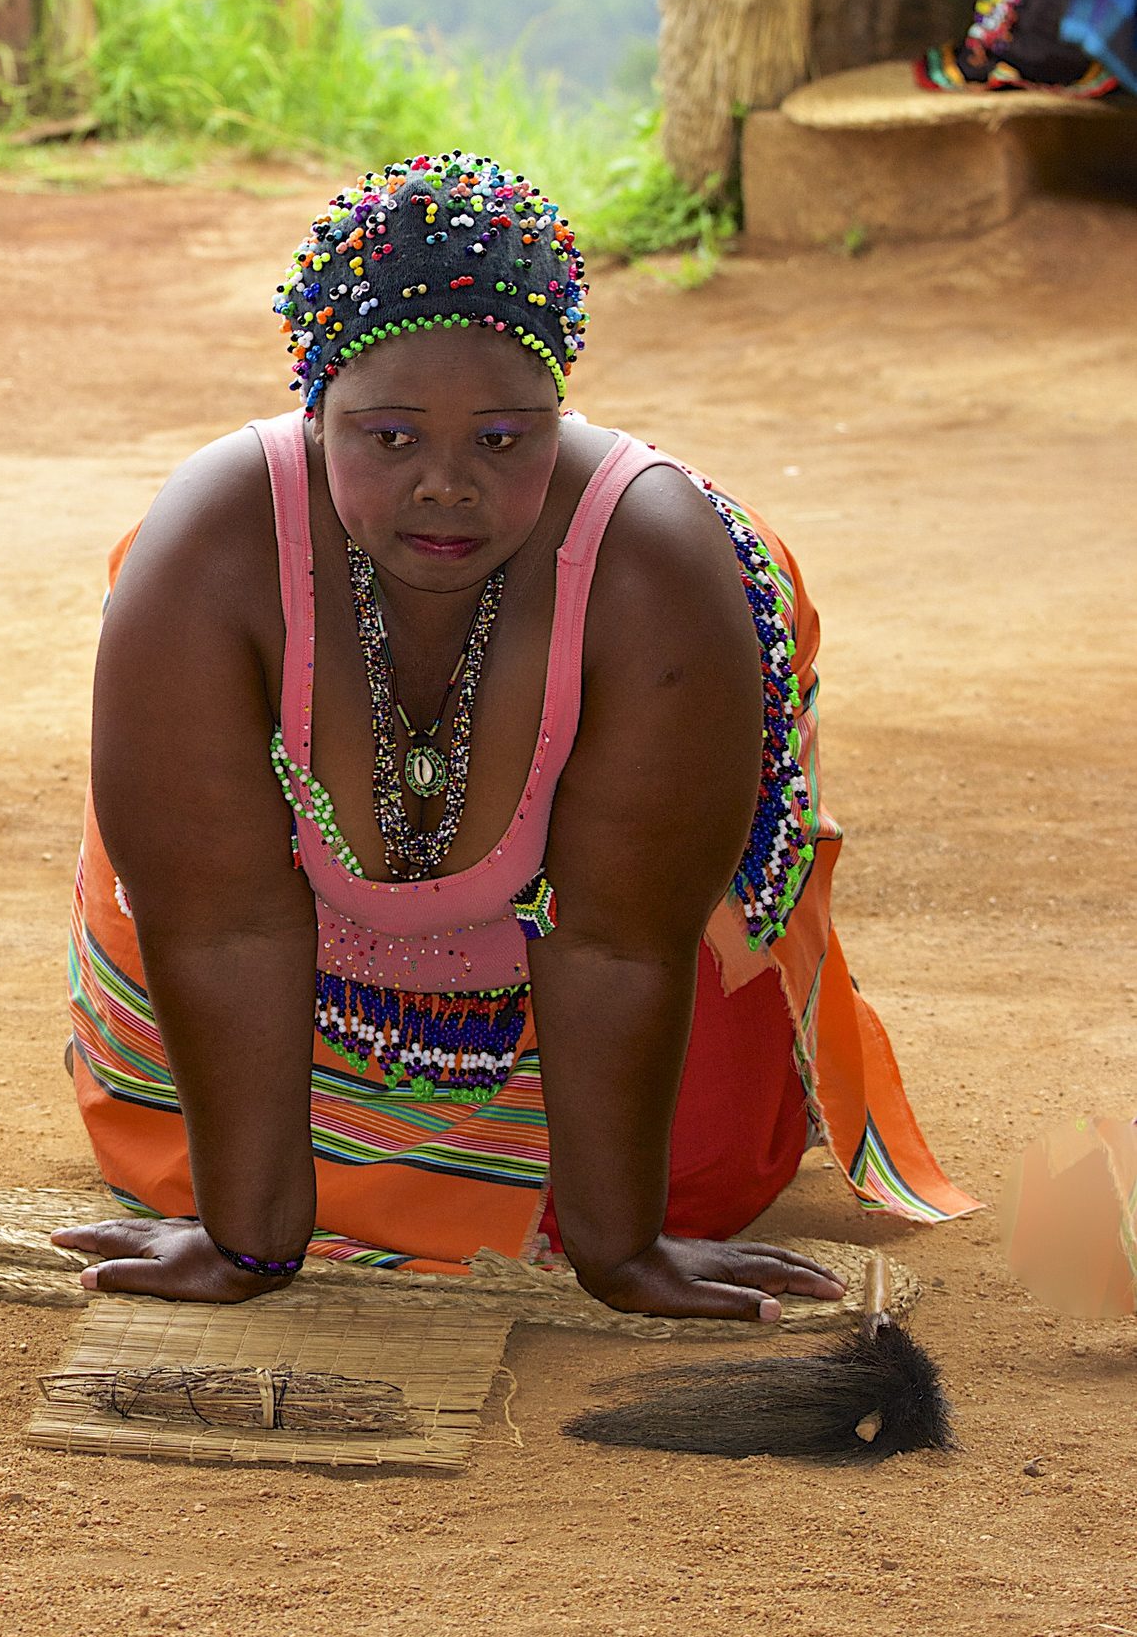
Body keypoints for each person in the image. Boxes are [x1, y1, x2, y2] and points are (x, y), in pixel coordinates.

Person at [57, 154, 975, 1320]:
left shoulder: (650, 562)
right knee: (175, 1155)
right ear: (314, 412)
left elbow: (614, 943)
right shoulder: (210, 549)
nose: (445, 485)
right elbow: (224, 923)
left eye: (501, 439)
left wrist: (621, 1248)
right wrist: (245, 1240)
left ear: (559, 416)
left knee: (699, 1175)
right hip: (261, 949)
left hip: (585, 954)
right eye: (386, 439)